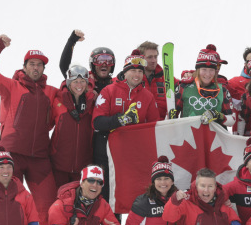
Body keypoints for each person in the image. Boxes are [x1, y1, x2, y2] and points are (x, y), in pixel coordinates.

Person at [0, 34, 59, 225]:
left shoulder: (51, 92)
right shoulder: (11, 87)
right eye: (32, 64)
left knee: (48, 207)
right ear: (24, 67)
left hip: (39, 157)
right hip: (11, 155)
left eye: (40, 65)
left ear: (43, 69)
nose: (36, 68)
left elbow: (74, 96)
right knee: (9, 204)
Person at [92, 52, 160, 202]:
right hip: (107, 151)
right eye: (133, 70)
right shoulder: (109, 90)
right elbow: (97, 122)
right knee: (107, 194)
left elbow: (154, 126)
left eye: (140, 71)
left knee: (132, 193)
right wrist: (121, 119)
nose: (137, 74)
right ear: (125, 72)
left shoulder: (147, 96)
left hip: (132, 152)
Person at [50, 64, 96, 189]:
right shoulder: (58, 101)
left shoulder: (92, 102)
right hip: (59, 164)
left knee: (78, 203)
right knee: (59, 200)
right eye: (75, 82)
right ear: (69, 83)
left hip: (83, 164)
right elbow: (46, 126)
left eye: (82, 82)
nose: (79, 85)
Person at [176, 44, 235, 128]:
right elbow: (172, 117)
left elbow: (231, 120)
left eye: (211, 70)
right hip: (189, 138)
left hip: (214, 139)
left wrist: (218, 115)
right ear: (198, 69)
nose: (207, 74)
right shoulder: (184, 87)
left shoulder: (223, 90)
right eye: (204, 69)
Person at [59, 29, 116, 94]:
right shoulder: (84, 80)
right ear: (92, 64)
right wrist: (71, 41)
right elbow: (64, 67)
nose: (104, 64)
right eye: (99, 61)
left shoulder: (115, 84)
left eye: (109, 61)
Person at [228, 46, 251, 134]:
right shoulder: (234, 82)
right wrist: (189, 75)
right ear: (245, 64)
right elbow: (210, 81)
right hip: (240, 138)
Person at [136, 41, 171, 119]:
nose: (153, 60)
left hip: (160, 127)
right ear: (141, 58)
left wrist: (188, 74)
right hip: (139, 127)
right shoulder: (133, 79)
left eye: (155, 57)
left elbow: (183, 84)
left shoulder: (166, 78)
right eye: (150, 57)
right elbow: (116, 83)